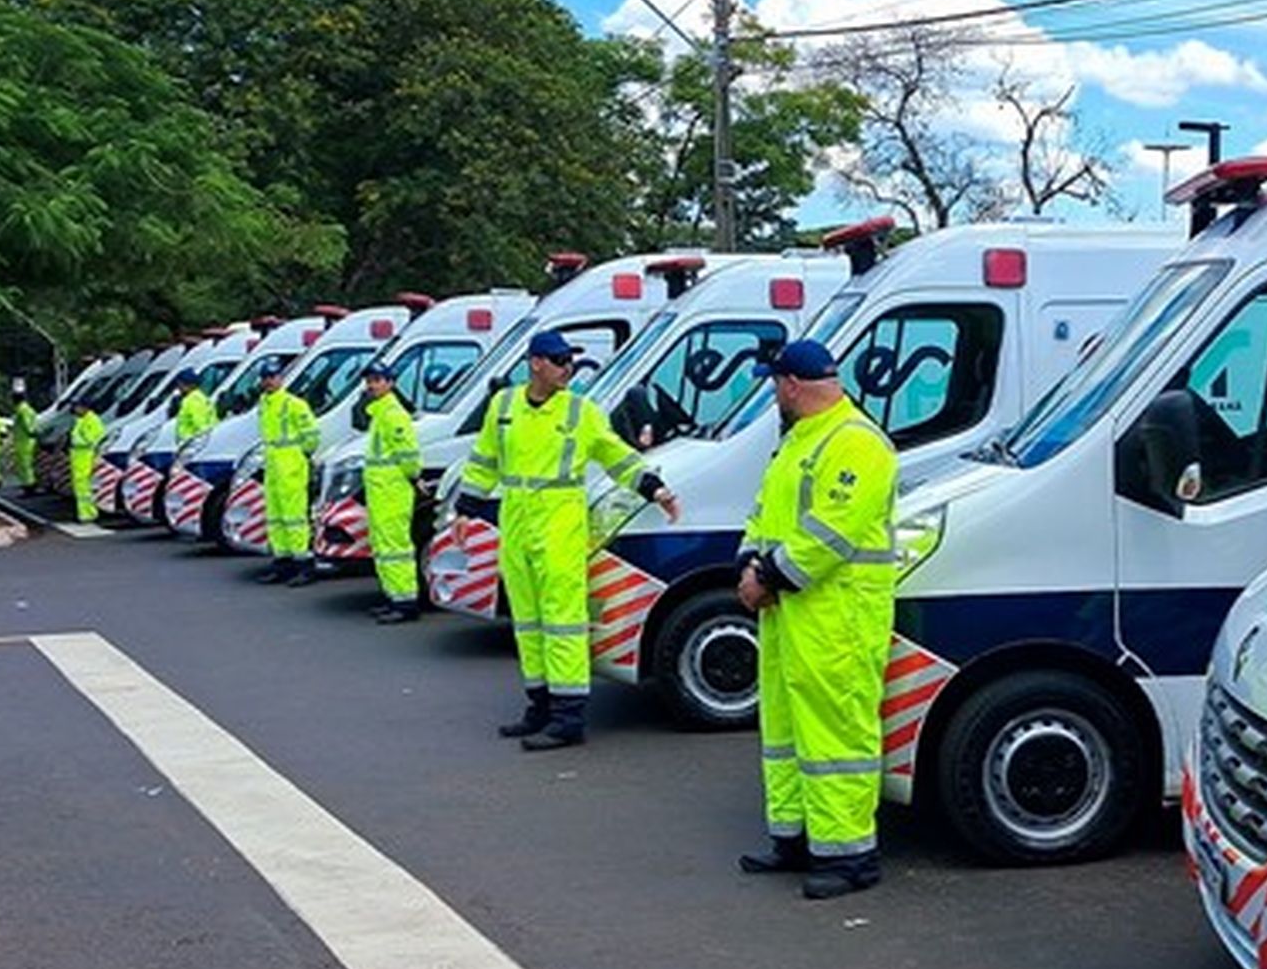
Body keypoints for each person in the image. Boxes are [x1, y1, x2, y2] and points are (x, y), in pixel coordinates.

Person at [454, 330, 681, 750]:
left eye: (570, 361)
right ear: (536, 363)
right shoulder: (503, 406)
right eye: (560, 361)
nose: (568, 369)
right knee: (527, 621)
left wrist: (654, 488)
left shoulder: (581, 412)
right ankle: (539, 706)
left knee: (563, 621)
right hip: (517, 521)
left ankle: (569, 717)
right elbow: (483, 461)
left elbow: (616, 456)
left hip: (560, 523)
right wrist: (465, 510)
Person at [735, 339, 898, 901]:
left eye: (774, 385)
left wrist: (767, 577)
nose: (774, 395)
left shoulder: (856, 442)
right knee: (785, 730)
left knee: (837, 733)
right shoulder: (798, 442)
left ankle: (852, 855)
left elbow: (834, 529)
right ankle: (795, 838)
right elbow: (763, 514)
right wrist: (749, 565)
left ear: (790, 385)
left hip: (837, 615)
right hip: (792, 610)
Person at [360, 362, 422, 624]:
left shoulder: (393, 414)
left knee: (395, 546)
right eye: (369, 381)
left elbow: (409, 456)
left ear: (390, 382)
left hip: (392, 490)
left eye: (377, 380)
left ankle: (405, 601)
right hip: (382, 489)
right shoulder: (381, 412)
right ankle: (393, 596)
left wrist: (413, 476)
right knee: (384, 545)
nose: (372, 385)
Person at [254, 356, 321, 586]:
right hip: (273, 465)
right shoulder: (264, 403)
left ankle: (303, 564)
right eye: (266, 378)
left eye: (273, 377)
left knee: (294, 517)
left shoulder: (293, 404)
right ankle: (282, 562)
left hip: (290, 465)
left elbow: (312, 436)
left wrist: (299, 455)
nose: (269, 381)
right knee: (275, 517)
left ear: (281, 378)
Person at [69, 402, 106, 524]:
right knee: (81, 488)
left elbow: (93, 439)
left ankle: (88, 514)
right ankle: (84, 513)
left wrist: (78, 438)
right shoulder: (82, 419)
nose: (75, 410)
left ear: (84, 407)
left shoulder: (92, 420)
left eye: (77, 407)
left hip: (86, 456)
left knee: (84, 488)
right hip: (79, 457)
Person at [174, 368, 218, 444]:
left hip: (192, 444)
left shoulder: (193, 400)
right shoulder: (200, 397)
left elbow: (202, 426)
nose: (179, 387)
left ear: (189, 385)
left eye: (180, 384)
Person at [10, 386, 39, 494]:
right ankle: (27, 484)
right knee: (24, 465)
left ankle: (29, 486)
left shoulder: (22, 410)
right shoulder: (26, 409)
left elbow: (28, 425)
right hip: (23, 441)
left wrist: (31, 432)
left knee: (25, 465)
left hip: (25, 442)